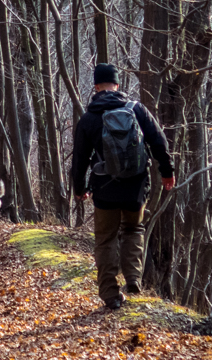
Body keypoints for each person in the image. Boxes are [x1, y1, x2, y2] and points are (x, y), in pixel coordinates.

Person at [71, 63, 175, 309]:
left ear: (96, 87)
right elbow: (159, 142)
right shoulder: (137, 109)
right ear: (117, 85)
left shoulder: (89, 118)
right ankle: (133, 278)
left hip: (104, 188)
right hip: (135, 187)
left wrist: (80, 187)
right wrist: (167, 171)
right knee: (134, 229)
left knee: (105, 239)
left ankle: (109, 294)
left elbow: (79, 159)